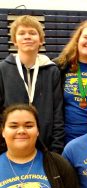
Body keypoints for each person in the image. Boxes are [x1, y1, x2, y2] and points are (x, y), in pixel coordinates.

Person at [0, 103, 86, 188]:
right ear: (3, 131)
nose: (21, 130)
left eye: (29, 126)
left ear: (38, 131)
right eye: (13, 126)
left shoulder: (59, 165)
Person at [0, 15, 64, 153]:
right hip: (10, 147)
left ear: (41, 40)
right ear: (14, 41)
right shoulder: (3, 69)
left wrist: (56, 148)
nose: (27, 37)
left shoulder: (52, 71)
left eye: (32, 33)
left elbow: (58, 113)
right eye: (22, 33)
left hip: (46, 147)